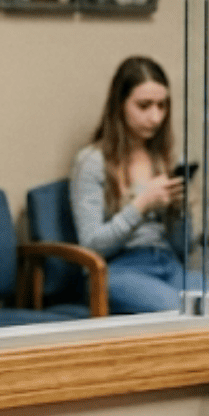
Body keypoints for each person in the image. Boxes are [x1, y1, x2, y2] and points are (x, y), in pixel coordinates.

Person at [71, 55, 190, 314]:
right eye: (144, 106)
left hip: (168, 263)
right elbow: (91, 245)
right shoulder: (92, 161)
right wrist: (142, 205)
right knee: (179, 310)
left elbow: (183, 247)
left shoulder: (167, 159)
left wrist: (181, 210)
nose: (155, 117)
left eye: (162, 106)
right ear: (120, 105)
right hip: (117, 270)